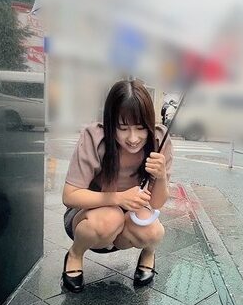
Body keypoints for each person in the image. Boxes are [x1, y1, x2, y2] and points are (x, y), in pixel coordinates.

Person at [62, 79, 173, 293]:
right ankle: (75, 254)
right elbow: (70, 196)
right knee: (110, 218)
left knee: (153, 231)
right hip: (89, 215)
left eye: (141, 128)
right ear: (111, 122)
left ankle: (148, 253)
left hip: (132, 217)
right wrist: (119, 198)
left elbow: (157, 203)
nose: (133, 138)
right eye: (123, 128)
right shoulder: (95, 138)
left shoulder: (160, 140)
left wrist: (160, 177)